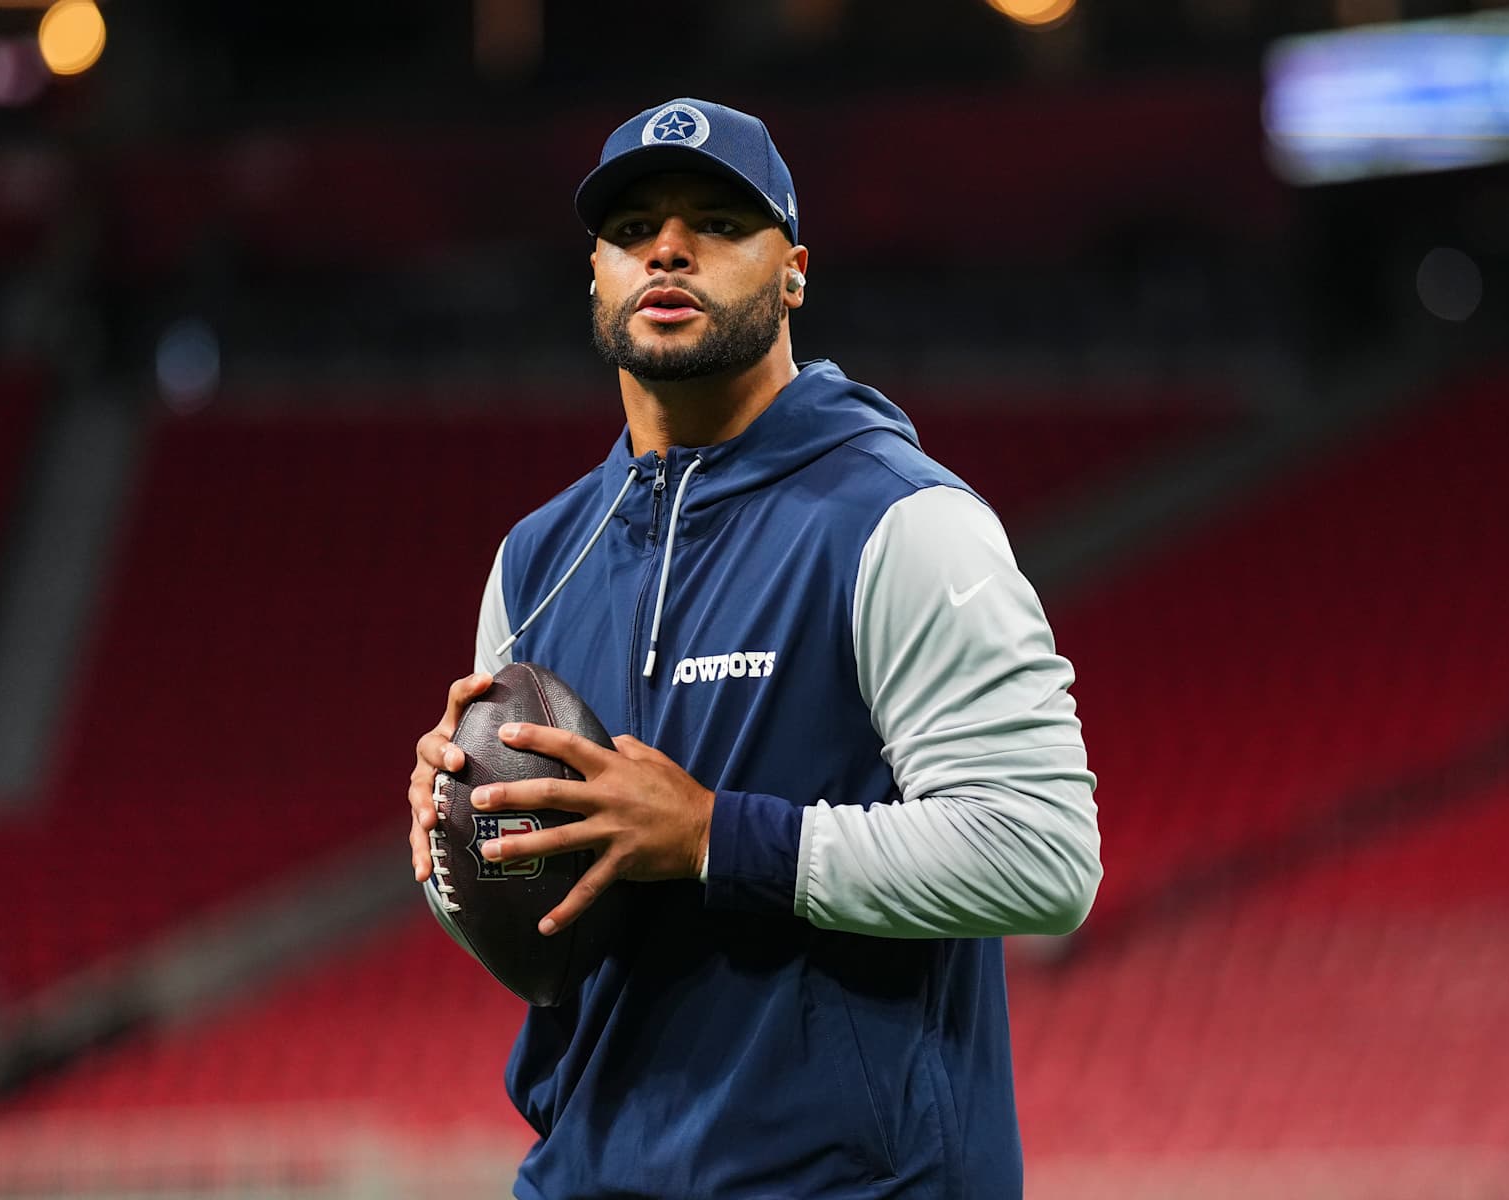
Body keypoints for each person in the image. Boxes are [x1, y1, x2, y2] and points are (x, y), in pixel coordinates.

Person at [406, 97, 1100, 1200]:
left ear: (795, 273)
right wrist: (454, 852)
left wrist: (718, 838)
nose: (668, 248)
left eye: (719, 223)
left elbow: (1043, 855)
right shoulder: (535, 562)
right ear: (595, 274)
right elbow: (543, 937)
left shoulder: (901, 522)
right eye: (633, 229)